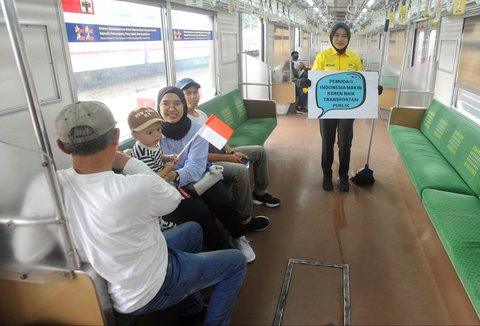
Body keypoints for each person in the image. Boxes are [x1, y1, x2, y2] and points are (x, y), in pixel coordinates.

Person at [53, 101, 247, 324]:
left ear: (62, 146)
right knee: (236, 262)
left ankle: (191, 307)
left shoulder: (53, 183)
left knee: (193, 230)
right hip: (146, 288)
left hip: (113, 274)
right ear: (117, 136)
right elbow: (172, 197)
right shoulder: (135, 187)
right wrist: (128, 162)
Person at [156, 86, 258, 263]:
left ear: (183, 106)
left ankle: (238, 237)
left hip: (198, 175)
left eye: (177, 104)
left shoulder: (196, 130)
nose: (171, 109)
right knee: (200, 213)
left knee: (223, 202)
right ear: (158, 107)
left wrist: (175, 175)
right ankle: (221, 250)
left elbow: (196, 166)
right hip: (172, 186)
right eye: (165, 104)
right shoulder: (154, 132)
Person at [176, 78, 280, 231]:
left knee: (259, 151)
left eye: (195, 92)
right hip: (205, 163)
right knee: (240, 171)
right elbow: (199, 157)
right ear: (180, 98)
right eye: (187, 93)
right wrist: (229, 158)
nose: (193, 97)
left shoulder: (201, 113)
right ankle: (244, 220)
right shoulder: (184, 123)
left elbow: (215, 137)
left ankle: (260, 192)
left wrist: (232, 151)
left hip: (218, 152)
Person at [311, 23, 365, 192]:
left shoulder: (354, 58)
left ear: (348, 38)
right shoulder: (323, 57)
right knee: (327, 142)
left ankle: (343, 176)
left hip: (347, 110)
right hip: (326, 109)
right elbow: (313, 82)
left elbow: (361, 81)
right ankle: (327, 175)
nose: (340, 39)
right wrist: (306, 83)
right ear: (331, 37)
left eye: (344, 36)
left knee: (345, 143)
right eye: (337, 35)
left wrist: (373, 88)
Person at [127, 106, 178, 180]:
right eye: (150, 132)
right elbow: (152, 178)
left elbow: (157, 157)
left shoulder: (151, 142)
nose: (156, 134)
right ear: (135, 136)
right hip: (153, 181)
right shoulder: (143, 154)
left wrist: (168, 158)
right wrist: (167, 169)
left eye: (158, 129)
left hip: (160, 171)